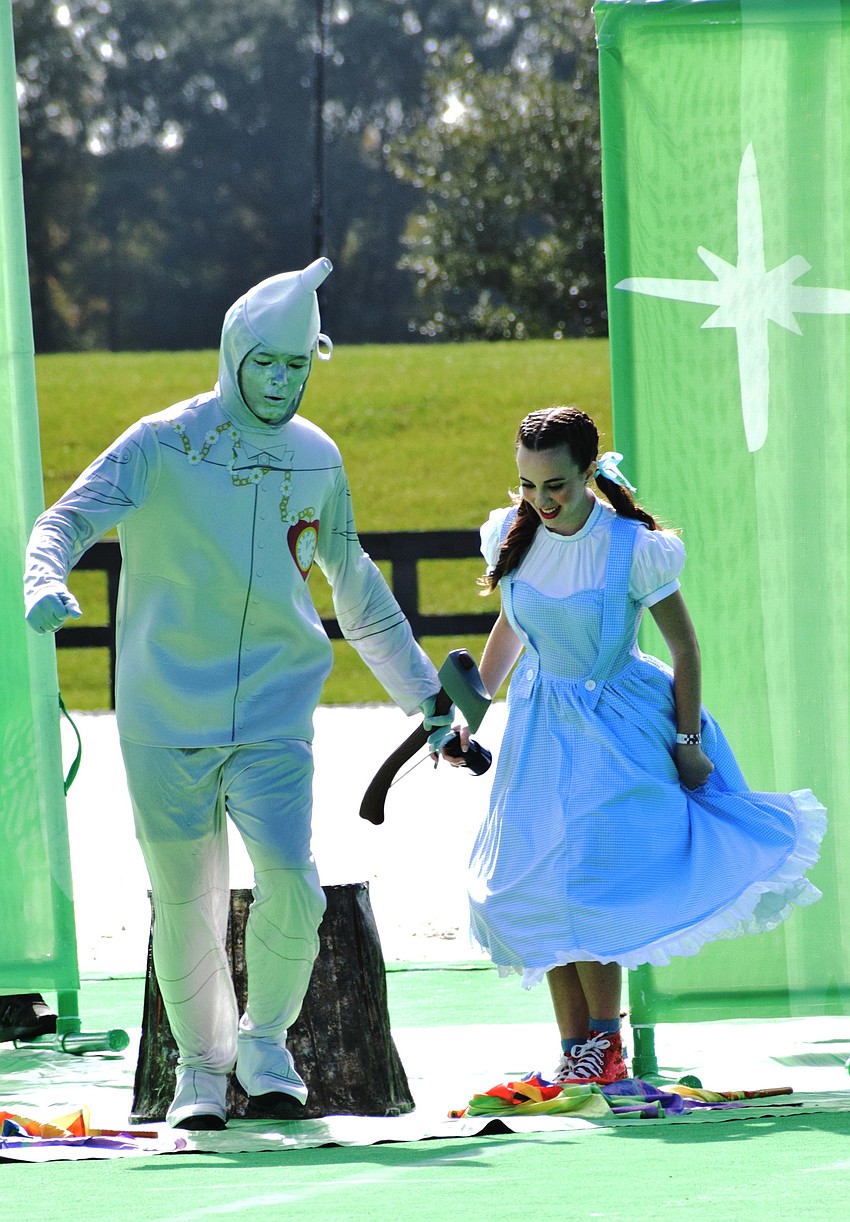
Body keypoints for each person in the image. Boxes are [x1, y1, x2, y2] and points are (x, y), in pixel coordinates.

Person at [23, 259, 449, 1130]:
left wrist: (423, 698)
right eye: (269, 366)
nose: (284, 384)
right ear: (233, 355)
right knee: (186, 901)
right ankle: (199, 1073)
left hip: (273, 713)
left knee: (292, 883)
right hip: (163, 713)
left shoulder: (317, 459)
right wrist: (43, 578)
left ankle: (268, 1046)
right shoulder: (161, 442)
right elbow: (64, 517)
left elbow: (355, 588)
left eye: (298, 368)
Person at [443, 406, 826, 1087]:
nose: (540, 501)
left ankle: (604, 1044)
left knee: (595, 879)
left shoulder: (633, 546)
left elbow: (685, 648)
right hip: (539, 726)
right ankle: (574, 1052)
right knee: (530, 880)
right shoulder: (512, 533)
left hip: (616, 728)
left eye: (554, 485)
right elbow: (510, 631)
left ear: (588, 472)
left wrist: (687, 743)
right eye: (528, 485)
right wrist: (468, 718)